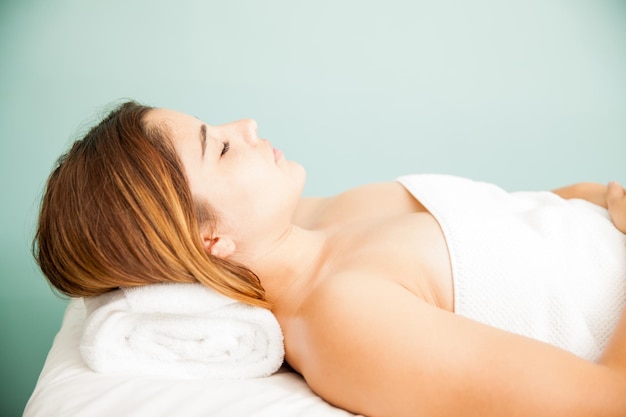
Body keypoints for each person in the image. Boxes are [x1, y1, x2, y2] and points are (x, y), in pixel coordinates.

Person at [34, 101, 626, 417]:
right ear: (208, 239)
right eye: (219, 145)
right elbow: (609, 400)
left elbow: (517, 217)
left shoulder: (322, 218)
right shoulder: (347, 322)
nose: (246, 124)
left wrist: (599, 196)